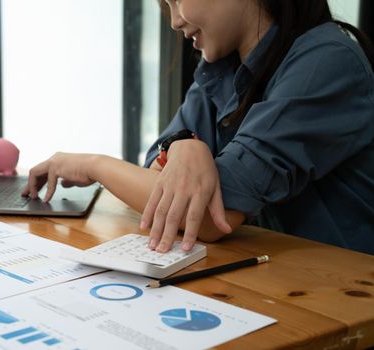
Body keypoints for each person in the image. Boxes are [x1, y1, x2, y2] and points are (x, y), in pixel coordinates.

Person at [23, 0, 374, 255]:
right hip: (272, 278)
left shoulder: (327, 61)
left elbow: (210, 219)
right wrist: (183, 145)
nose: (175, 21)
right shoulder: (223, 67)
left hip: (343, 299)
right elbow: (158, 172)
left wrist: (93, 165)